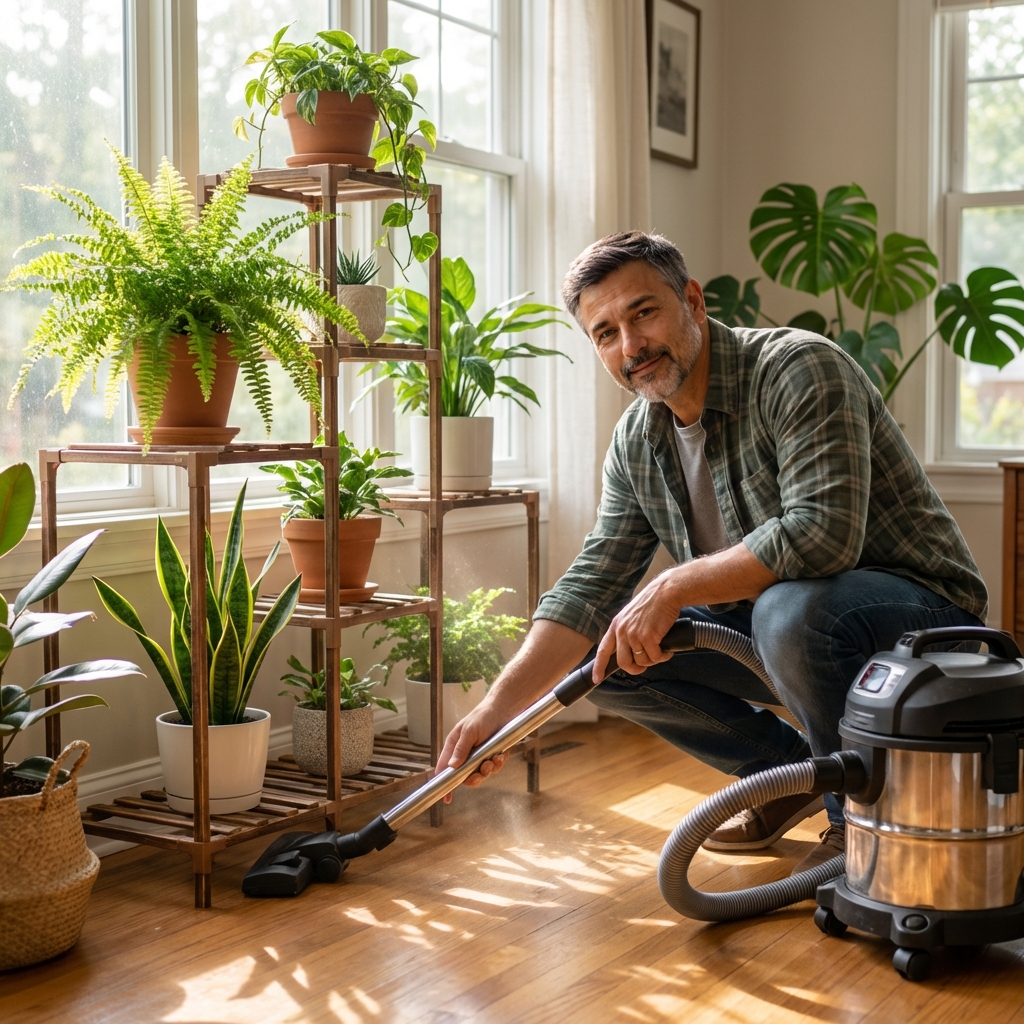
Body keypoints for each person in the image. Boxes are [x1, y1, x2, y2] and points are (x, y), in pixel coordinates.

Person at [437, 231, 987, 870]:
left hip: (921, 621)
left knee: (788, 609)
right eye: (605, 332)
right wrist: (494, 714)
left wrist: (671, 587)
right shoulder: (637, 442)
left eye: (644, 313)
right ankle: (792, 778)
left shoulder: (797, 369)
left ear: (692, 302)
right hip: (784, 625)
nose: (630, 346)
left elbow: (822, 534)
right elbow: (588, 588)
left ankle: (860, 822)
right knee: (601, 655)